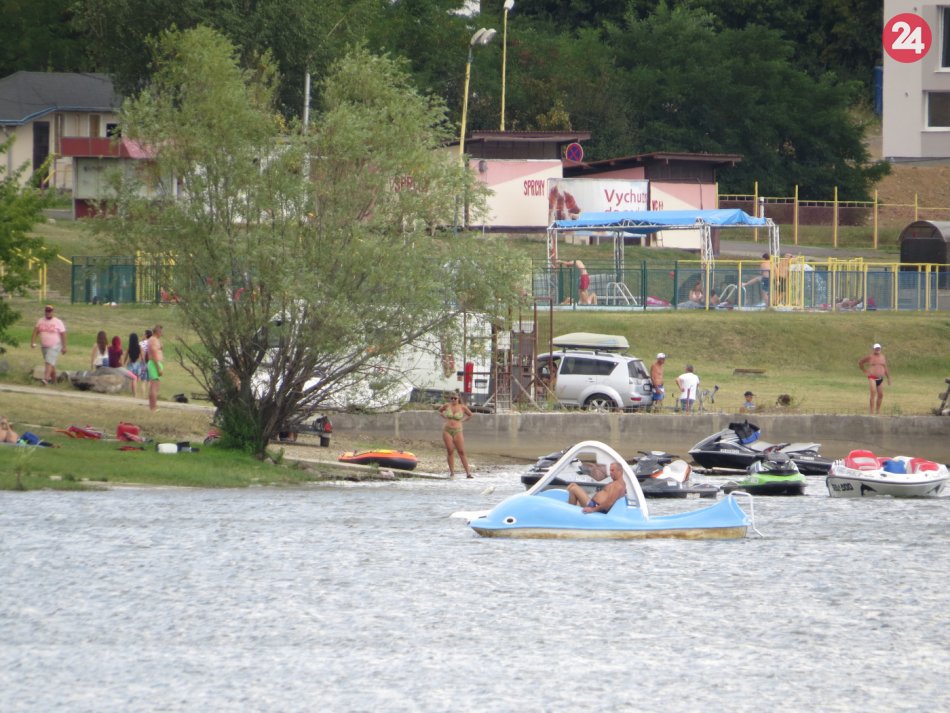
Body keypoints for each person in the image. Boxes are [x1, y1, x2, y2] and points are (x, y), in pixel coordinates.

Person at [438, 390, 473, 478]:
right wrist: (444, 416)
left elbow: (470, 415)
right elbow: (440, 410)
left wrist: (463, 420)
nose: (453, 400)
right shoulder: (447, 405)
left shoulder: (462, 407)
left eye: (455, 398)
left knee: (461, 451)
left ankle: (468, 473)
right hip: (447, 430)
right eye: (451, 398)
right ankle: (452, 473)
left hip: (458, 430)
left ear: (458, 399)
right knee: (450, 450)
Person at [30, 304, 67, 385]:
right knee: (51, 364)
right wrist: (33, 342)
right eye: (47, 311)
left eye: (49, 311)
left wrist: (64, 347)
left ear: (53, 312)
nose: (48, 313)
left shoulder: (58, 322)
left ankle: (46, 379)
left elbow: (63, 334)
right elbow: (35, 332)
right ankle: (54, 381)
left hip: (55, 345)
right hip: (44, 346)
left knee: (48, 361)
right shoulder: (40, 321)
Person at [858, 343, 891, 415]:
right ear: (873, 349)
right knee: (873, 393)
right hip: (872, 377)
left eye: (878, 348)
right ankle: (871, 412)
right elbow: (860, 362)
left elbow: (885, 367)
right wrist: (864, 371)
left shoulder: (883, 357)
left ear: (880, 349)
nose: (877, 350)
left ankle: (878, 411)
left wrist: (888, 378)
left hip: (880, 378)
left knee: (881, 395)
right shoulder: (870, 357)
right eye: (876, 348)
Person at [147, 325, 164, 411]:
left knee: (155, 386)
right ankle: (153, 407)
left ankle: (153, 406)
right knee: (154, 386)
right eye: (161, 331)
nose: (162, 333)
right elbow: (153, 353)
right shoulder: (153, 340)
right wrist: (158, 367)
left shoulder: (156, 340)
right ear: (157, 332)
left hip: (156, 363)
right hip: (154, 364)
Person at [124, 332, 146, 398]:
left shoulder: (129, 348)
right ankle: (135, 394)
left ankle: (134, 394)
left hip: (130, 365)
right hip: (138, 365)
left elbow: (125, 357)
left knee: (132, 380)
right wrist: (144, 365)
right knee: (136, 380)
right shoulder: (139, 347)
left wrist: (123, 364)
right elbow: (143, 358)